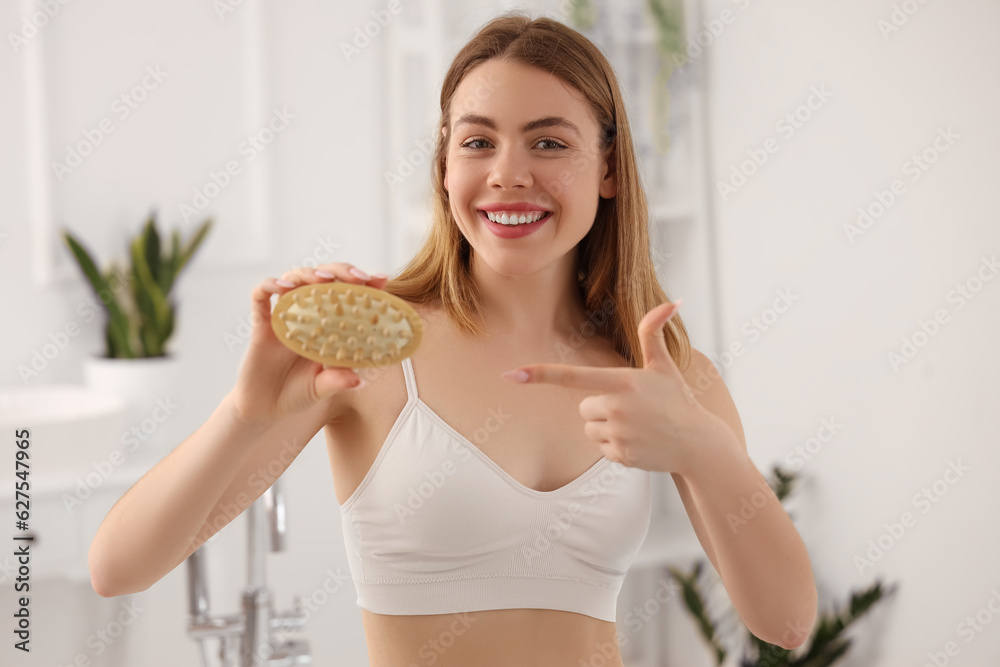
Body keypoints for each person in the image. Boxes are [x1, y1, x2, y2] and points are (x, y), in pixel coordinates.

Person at [89, 11, 816, 665]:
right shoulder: (365, 359)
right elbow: (115, 569)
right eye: (478, 141)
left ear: (607, 169)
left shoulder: (663, 372)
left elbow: (787, 622)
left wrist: (703, 446)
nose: (508, 174)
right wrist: (245, 414)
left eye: (548, 142)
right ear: (443, 168)